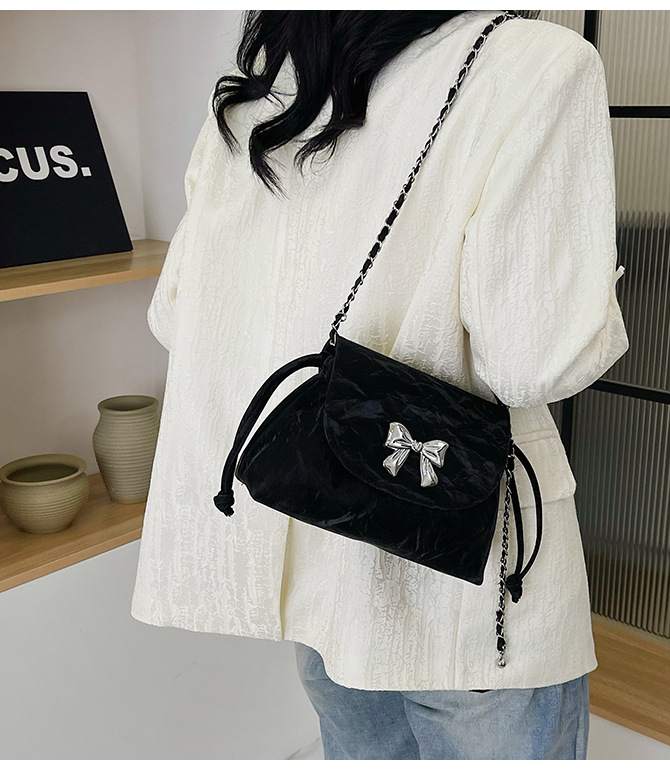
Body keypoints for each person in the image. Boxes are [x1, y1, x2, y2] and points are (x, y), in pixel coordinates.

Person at [131, 9, 629, 760]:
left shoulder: (269, 86)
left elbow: (177, 317)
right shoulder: (538, 64)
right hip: (464, 584)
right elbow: (533, 360)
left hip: (321, 545)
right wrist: (595, 297)